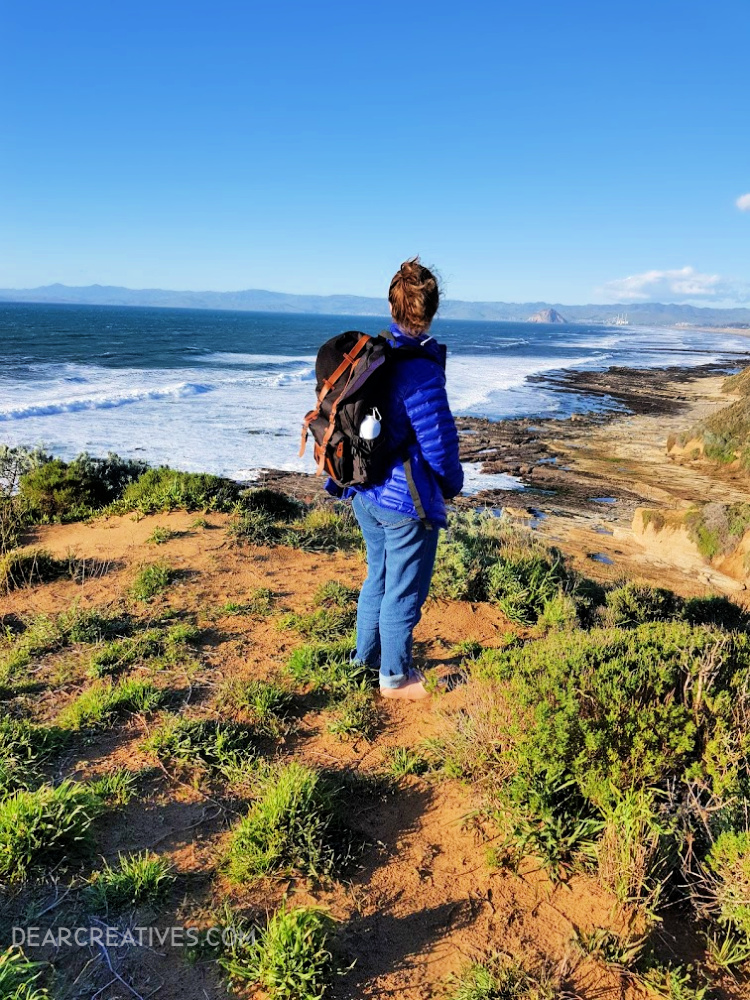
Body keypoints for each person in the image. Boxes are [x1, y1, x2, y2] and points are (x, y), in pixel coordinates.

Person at [349, 257, 464, 701]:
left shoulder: (376, 355)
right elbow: (438, 442)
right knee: (403, 590)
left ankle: (366, 659)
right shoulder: (420, 368)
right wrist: (450, 485)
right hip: (403, 501)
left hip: (366, 490)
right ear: (431, 308)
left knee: (376, 576)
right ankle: (395, 678)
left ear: (393, 306)